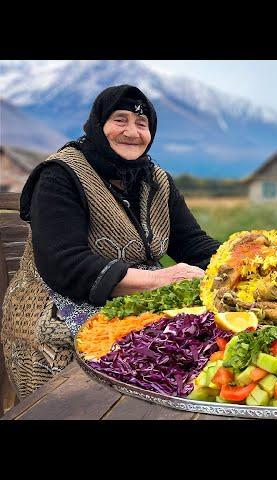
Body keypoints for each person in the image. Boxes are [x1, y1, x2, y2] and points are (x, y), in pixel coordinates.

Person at [1, 85, 221, 398]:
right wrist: (161, 279)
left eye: (142, 124)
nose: (132, 132)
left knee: (201, 339)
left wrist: (242, 263)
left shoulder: (156, 180)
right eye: (120, 120)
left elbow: (194, 244)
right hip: (55, 306)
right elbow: (66, 265)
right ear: (98, 125)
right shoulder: (61, 175)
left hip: (135, 305)